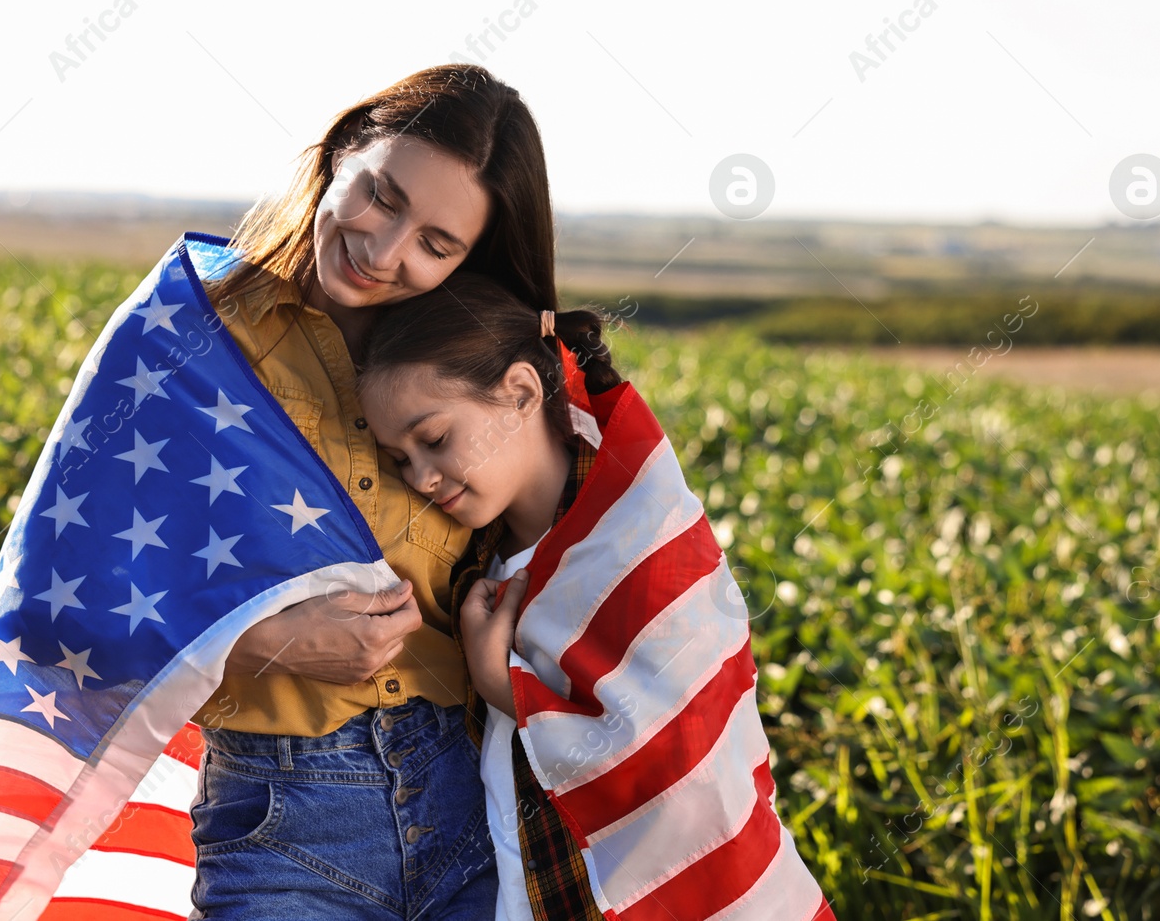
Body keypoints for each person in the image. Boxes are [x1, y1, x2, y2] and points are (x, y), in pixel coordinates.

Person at [186, 63, 560, 919]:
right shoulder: (189, 333)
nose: (384, 250)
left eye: (436, 243)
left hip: (474, 793)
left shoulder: (473, 360)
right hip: (284, 815)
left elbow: (585, 566)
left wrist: (511, 678)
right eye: (382, 196)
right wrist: (262, 645)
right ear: (341, 150)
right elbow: (65, 599)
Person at [355, 274, 836, 920]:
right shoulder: (466, 562)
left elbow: (684, 754)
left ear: (522, 391)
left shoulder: (638, 533)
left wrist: (509, 690)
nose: (422, 477)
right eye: (399, 459)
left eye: (435, 439)